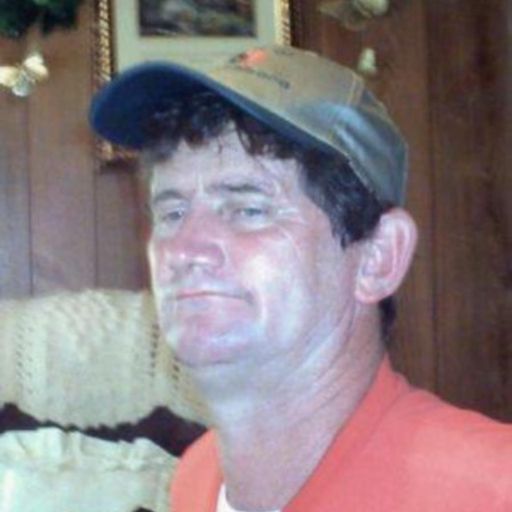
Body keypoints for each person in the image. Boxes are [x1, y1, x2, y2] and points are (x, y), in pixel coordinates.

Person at [90, 45, 512, 511]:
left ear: (378, 258)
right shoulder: (197, 477)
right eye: (171, 213)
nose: (184, 250)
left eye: (249, 209)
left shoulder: (492, 490)